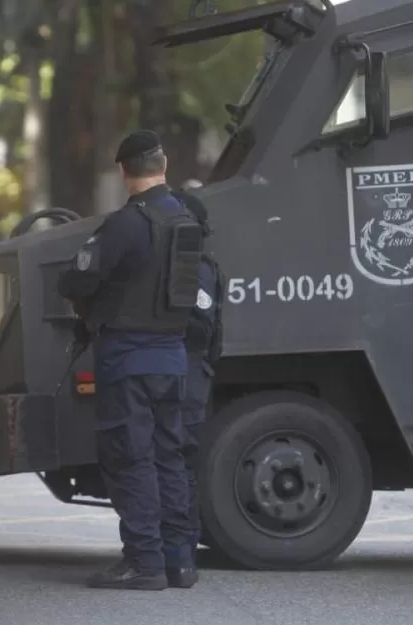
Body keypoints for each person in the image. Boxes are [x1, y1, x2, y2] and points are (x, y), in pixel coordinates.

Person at [57, 129, 201, 591]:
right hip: (174, 356)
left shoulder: (126, 224)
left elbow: (77, 281)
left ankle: (144, 563)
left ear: (123, 171)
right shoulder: (186, 218)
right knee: (170, 458)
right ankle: (180, 562)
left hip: (128, 358)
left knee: (131, 458)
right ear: (165, 165)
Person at [171, 183, 224, 565]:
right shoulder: (197, 265)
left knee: (175, 461)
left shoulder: (197, 269)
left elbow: (199, 324)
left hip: (187, 369)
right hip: (189, 369)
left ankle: (180, 554)